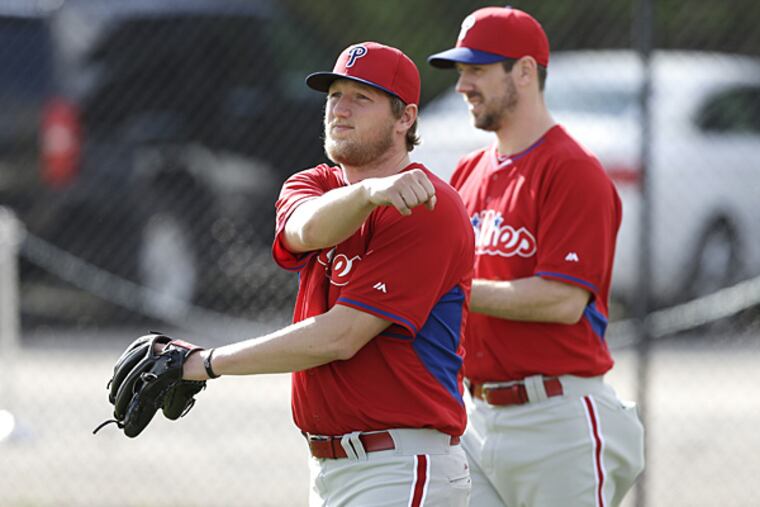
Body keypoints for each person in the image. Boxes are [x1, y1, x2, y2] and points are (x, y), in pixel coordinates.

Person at [176, 42, 474, 506]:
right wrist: (369, 192)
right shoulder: (313, 184)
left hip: (400, 465)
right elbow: (303, 231)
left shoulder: (427, 206)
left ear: (405, 118)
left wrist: (208, 363)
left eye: (362, 97)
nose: (340, 109)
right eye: (335, 94)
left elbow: (342, 336)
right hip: (330, 469)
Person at [427, 7, 645, 507]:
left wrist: (445, 289)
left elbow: (562, 300)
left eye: (477, 70)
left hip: (555, 419)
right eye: (461, 72)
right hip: (477, 417)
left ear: (524, 71)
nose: (463, 86)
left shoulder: (572, 170)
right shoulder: (468, 171)